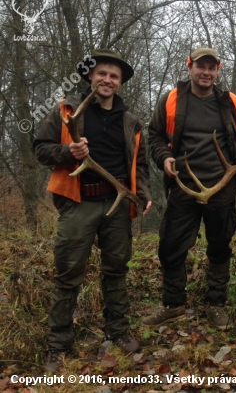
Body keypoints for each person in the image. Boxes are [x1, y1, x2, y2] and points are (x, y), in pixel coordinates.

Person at [33, 48, 153, 372]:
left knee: (116, 270)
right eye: (102, 73)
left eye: (114, 76)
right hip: (79, 202)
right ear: (90, 75)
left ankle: (118, 332)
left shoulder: (131, 121)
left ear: (120, 82)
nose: (108, 80)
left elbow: (139, 163)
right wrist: (68, 151)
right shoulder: (66, 110)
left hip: (117, 204)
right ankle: (58, 346)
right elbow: (40, 149)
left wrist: (143, 193)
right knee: (68, 273)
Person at [146, 48, 236, 329]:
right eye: (201, 66)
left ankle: (216, 303)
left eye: (212, 68)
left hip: (222, 186)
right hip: (183, 187)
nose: (206, 72)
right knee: (171, 246)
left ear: (217, 71)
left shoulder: (230, 102)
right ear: (189, 67)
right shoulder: (172, 100)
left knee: (220, 246)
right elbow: (155, 136)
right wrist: (164, 158)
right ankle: (174, 305)